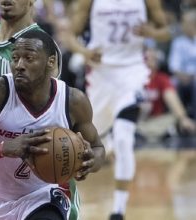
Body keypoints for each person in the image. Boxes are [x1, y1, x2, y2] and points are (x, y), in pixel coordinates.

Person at [0, 30, 105, 220]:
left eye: (29, 58)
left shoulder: (73, 101)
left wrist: (91, 162)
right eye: (15, 58)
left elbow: (97, 147)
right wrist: (3, 148)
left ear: (50, 62)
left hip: (43, 196)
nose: (19, 65)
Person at [67, 0, 170, 219]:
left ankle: (118, 211)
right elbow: (69, 35)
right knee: (85, 142)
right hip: (101, 76)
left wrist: (152, 32)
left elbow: (166, 31)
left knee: (125, 139)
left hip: (132, 73)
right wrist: (83, 51)